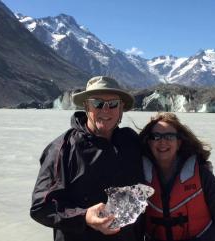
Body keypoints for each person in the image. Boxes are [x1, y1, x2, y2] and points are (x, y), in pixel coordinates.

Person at [30, 76, 144, 241]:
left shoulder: (131, 142)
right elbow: (41, 207)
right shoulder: (63, 149)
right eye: (97, 103)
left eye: (113, 104)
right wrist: (84, 217)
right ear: (86, 106)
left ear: (121, 108)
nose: (105, 110)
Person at [139, 112, 215, 241]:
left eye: (169, 136)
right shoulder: (138, 177)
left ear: (179, 143)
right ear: (149, 142)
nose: (162, 142)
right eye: (156, 136)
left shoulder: (202, 176)